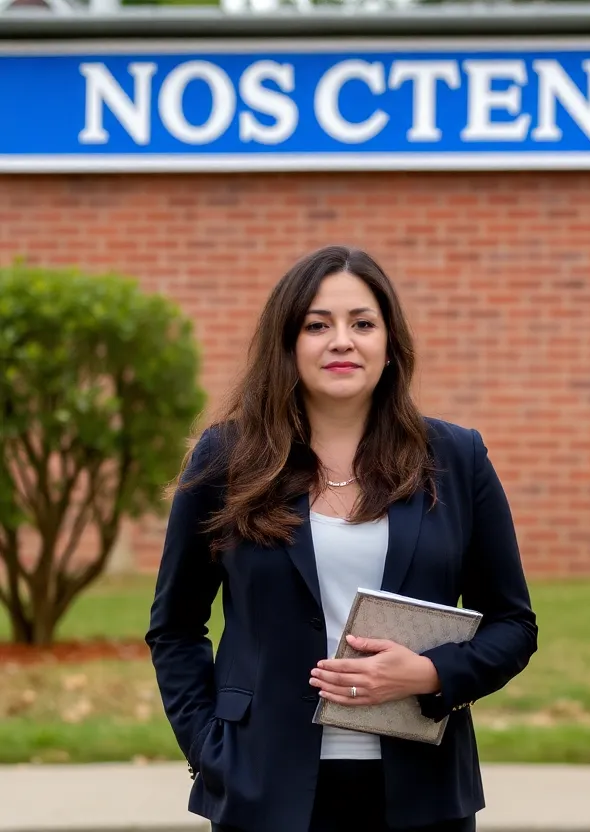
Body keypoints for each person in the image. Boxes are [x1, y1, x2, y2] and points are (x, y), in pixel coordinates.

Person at [147, 244, 538, 832]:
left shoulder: (456, 458)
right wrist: (208, 751)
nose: (341, 341)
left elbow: (513, 625)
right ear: (288, 344)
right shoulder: (228, 459)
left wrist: (433, 675)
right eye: (316, 325)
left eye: (362, 323)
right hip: (262, 789)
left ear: (389, 345)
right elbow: (175, 626)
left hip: (421, 793)